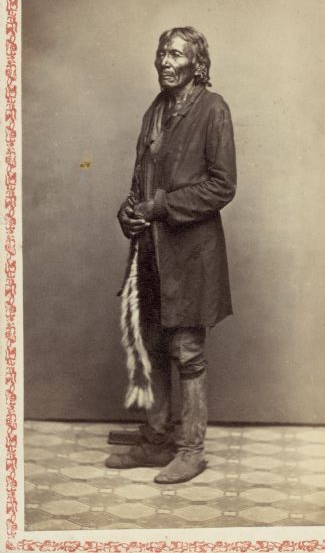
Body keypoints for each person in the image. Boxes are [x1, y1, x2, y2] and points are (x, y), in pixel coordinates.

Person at [105, 26, 236, 484]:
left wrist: (159, 206)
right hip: (151, 253)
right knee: (154, 344)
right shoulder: (156, 109)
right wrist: (129, 213)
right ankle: (157, 442)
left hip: (190, 254)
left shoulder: (213, 109)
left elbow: (223, 186)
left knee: (187, 349)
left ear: (196, 62)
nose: (165, 61)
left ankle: (191, 449)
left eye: (176, 54)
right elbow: (139, 178)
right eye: (161, 52)